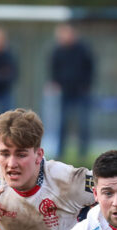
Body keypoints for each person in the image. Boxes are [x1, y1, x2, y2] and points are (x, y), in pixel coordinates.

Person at [48, 24, 96, 160]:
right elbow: (53, 69)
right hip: (65, 93)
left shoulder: (83, 50)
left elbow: (90, 68)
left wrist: (87, 85)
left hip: (81, 92)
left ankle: (83, 153)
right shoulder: (58, 51)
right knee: (62, 124)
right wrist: (55, 83)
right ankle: (60, 152)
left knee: (83, 123)